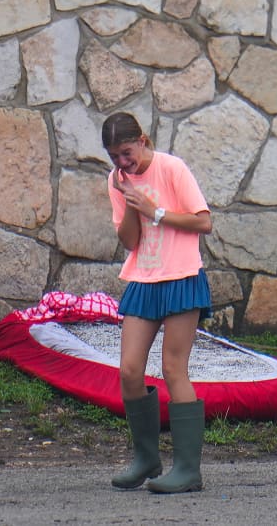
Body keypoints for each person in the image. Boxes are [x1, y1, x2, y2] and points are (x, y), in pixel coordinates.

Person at [102, 112, 213, 494]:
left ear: (144, 141)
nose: (122, 162)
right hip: (144, 278)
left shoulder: (172, 169)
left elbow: (203, 222)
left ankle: (187, 470)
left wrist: (156, 211)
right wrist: (132, 201)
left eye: (127, 153)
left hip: (182, 277)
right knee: (129, 371)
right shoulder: (117, 181)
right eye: (115, 156)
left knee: (173, 369)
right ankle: (147, 459)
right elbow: (131, 242)